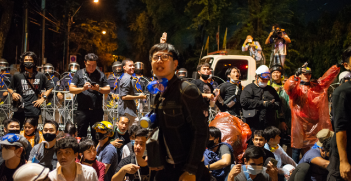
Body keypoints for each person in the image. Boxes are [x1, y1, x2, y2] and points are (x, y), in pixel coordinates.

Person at [149, 43, 210, 181]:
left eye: (165, 57)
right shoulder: (159, 94)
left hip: (185, 166)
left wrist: (191, 169)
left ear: (175, 64)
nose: (159, 60)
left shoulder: (186, 90)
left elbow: (201, 132)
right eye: (155, 57)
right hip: (166, 165)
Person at [284, 63, 340, 163]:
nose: (307, 76)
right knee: (297, 150)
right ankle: (294, 172)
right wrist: (295, 77)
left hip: (315, 124)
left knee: (315, 149)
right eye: (304, 74)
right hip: (300, 125)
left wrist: (336, 67)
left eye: (309, 74)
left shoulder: (316, 86)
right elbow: (289, 87)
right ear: (300, 75)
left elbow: (326, 78)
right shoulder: (296, 89)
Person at [69, 53, 110, 143]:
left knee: (97, 135)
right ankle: (81, 155)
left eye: (94, 65)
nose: (92, 67)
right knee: (81, 135)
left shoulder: (100, 74)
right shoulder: (79, 73)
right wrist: (82, 88)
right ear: (85, 63)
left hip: (96, 110)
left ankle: (96, 154)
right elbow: (71, 89)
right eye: (89, 65)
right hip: (82, 110)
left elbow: (108, 89)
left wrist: (98, 88)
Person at [8, 51, 54, 128]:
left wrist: (43, 98)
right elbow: (9, 87)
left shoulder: (40, 75)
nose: (28, 62)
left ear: (34, 62)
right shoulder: (17, 75)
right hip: (20, 108)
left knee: (32, 130)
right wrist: (13, 93)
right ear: (22, 62)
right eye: (26, 60)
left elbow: (50, 87)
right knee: (16, 129)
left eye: (30, 60)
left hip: (34, 109)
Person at [327, 46, 351, 181]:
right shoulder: (343, 92)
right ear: (347, 65)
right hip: (345, 154)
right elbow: (340, 128)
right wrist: (344, 161)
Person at [240, 65, 281, 136]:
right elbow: (244, 102)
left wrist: (272, 105)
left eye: (266, 80)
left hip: (268, 124)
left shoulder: (271, 90)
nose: (265, 81)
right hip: (253, 124)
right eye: (262, 79)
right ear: (256, 77)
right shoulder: (249, 88)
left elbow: (278, 103)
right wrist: (263, 103)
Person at [118, 59, 146, 127]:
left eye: (133, 65)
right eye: (130, 66)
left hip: (128, 111)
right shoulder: (127, 78)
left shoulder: (127, 77)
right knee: (133, 132)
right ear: (124, 67)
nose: (132, 67)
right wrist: (139, 97)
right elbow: (124, 97)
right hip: (127, 112)